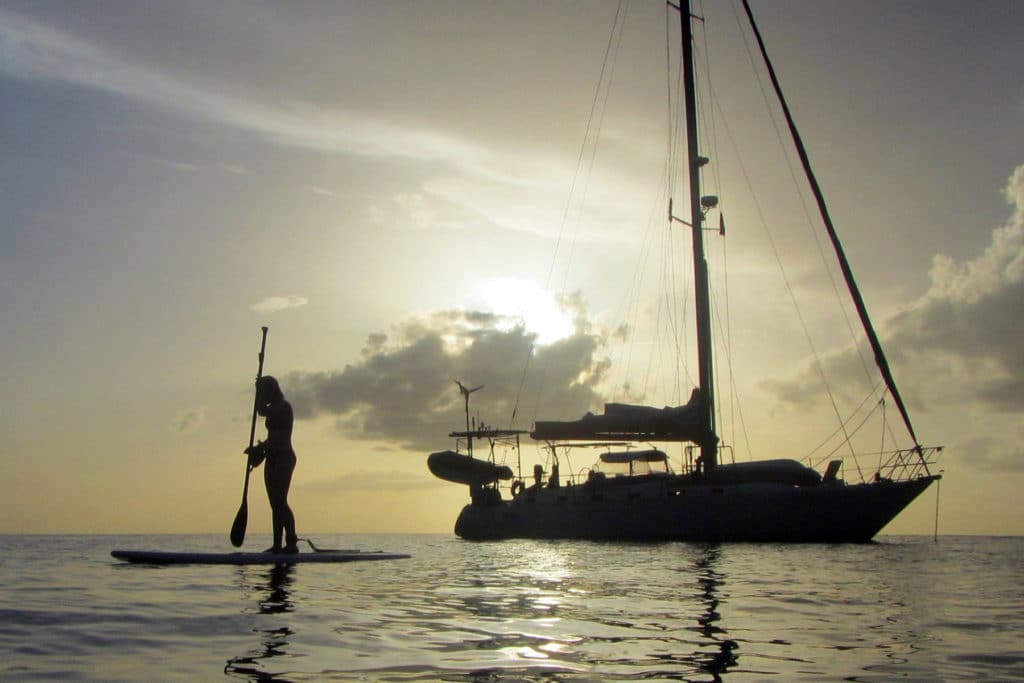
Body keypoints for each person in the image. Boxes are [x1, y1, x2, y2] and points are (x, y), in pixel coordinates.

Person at [245, 376, 299, 553]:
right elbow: (271, 438)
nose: (262, 396)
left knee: (280, 501)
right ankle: (277, 545)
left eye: (263, 392)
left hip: (284, 457)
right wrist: (258, 449)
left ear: (271, 391)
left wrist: (258, 394)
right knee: (274, 504)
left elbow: (263, 411)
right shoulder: (272, 408)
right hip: (272, 458)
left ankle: (291, 542)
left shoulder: (283, 406)